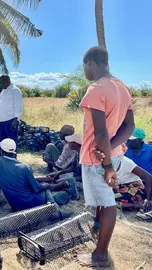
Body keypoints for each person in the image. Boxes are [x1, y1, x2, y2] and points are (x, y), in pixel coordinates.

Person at [76, 46, 135, 267]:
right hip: (114, 154)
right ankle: (100, 238)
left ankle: (100, 255)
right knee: (105, 202)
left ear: (90, 62)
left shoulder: (96, 89)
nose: (85, 71)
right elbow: (130, 126)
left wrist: (106, 162)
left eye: (85, 66)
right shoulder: (122, 87)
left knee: (107, 204)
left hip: (97, 159)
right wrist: (111, 149)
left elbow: (99, 132)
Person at [0, 139, 79, 212]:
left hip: (15, 206)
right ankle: (56, 210)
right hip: (29, 204)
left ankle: (61, 190)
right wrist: (47, 185)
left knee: (45, 186)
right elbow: (37, 188)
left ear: (1, 151)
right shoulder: (24, 167)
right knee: (47, 191)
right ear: (14, 151)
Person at [0, 75, 23, 156]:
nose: (0, 85)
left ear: (7, 81)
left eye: (1, 83)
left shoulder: (15, 90)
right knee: (0, 143)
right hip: (0, 121)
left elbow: (18, 105)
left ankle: (12, 162)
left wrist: (16, 119)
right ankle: (0, 161)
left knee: (11, 143)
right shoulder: (3, 91)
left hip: (10, 121)